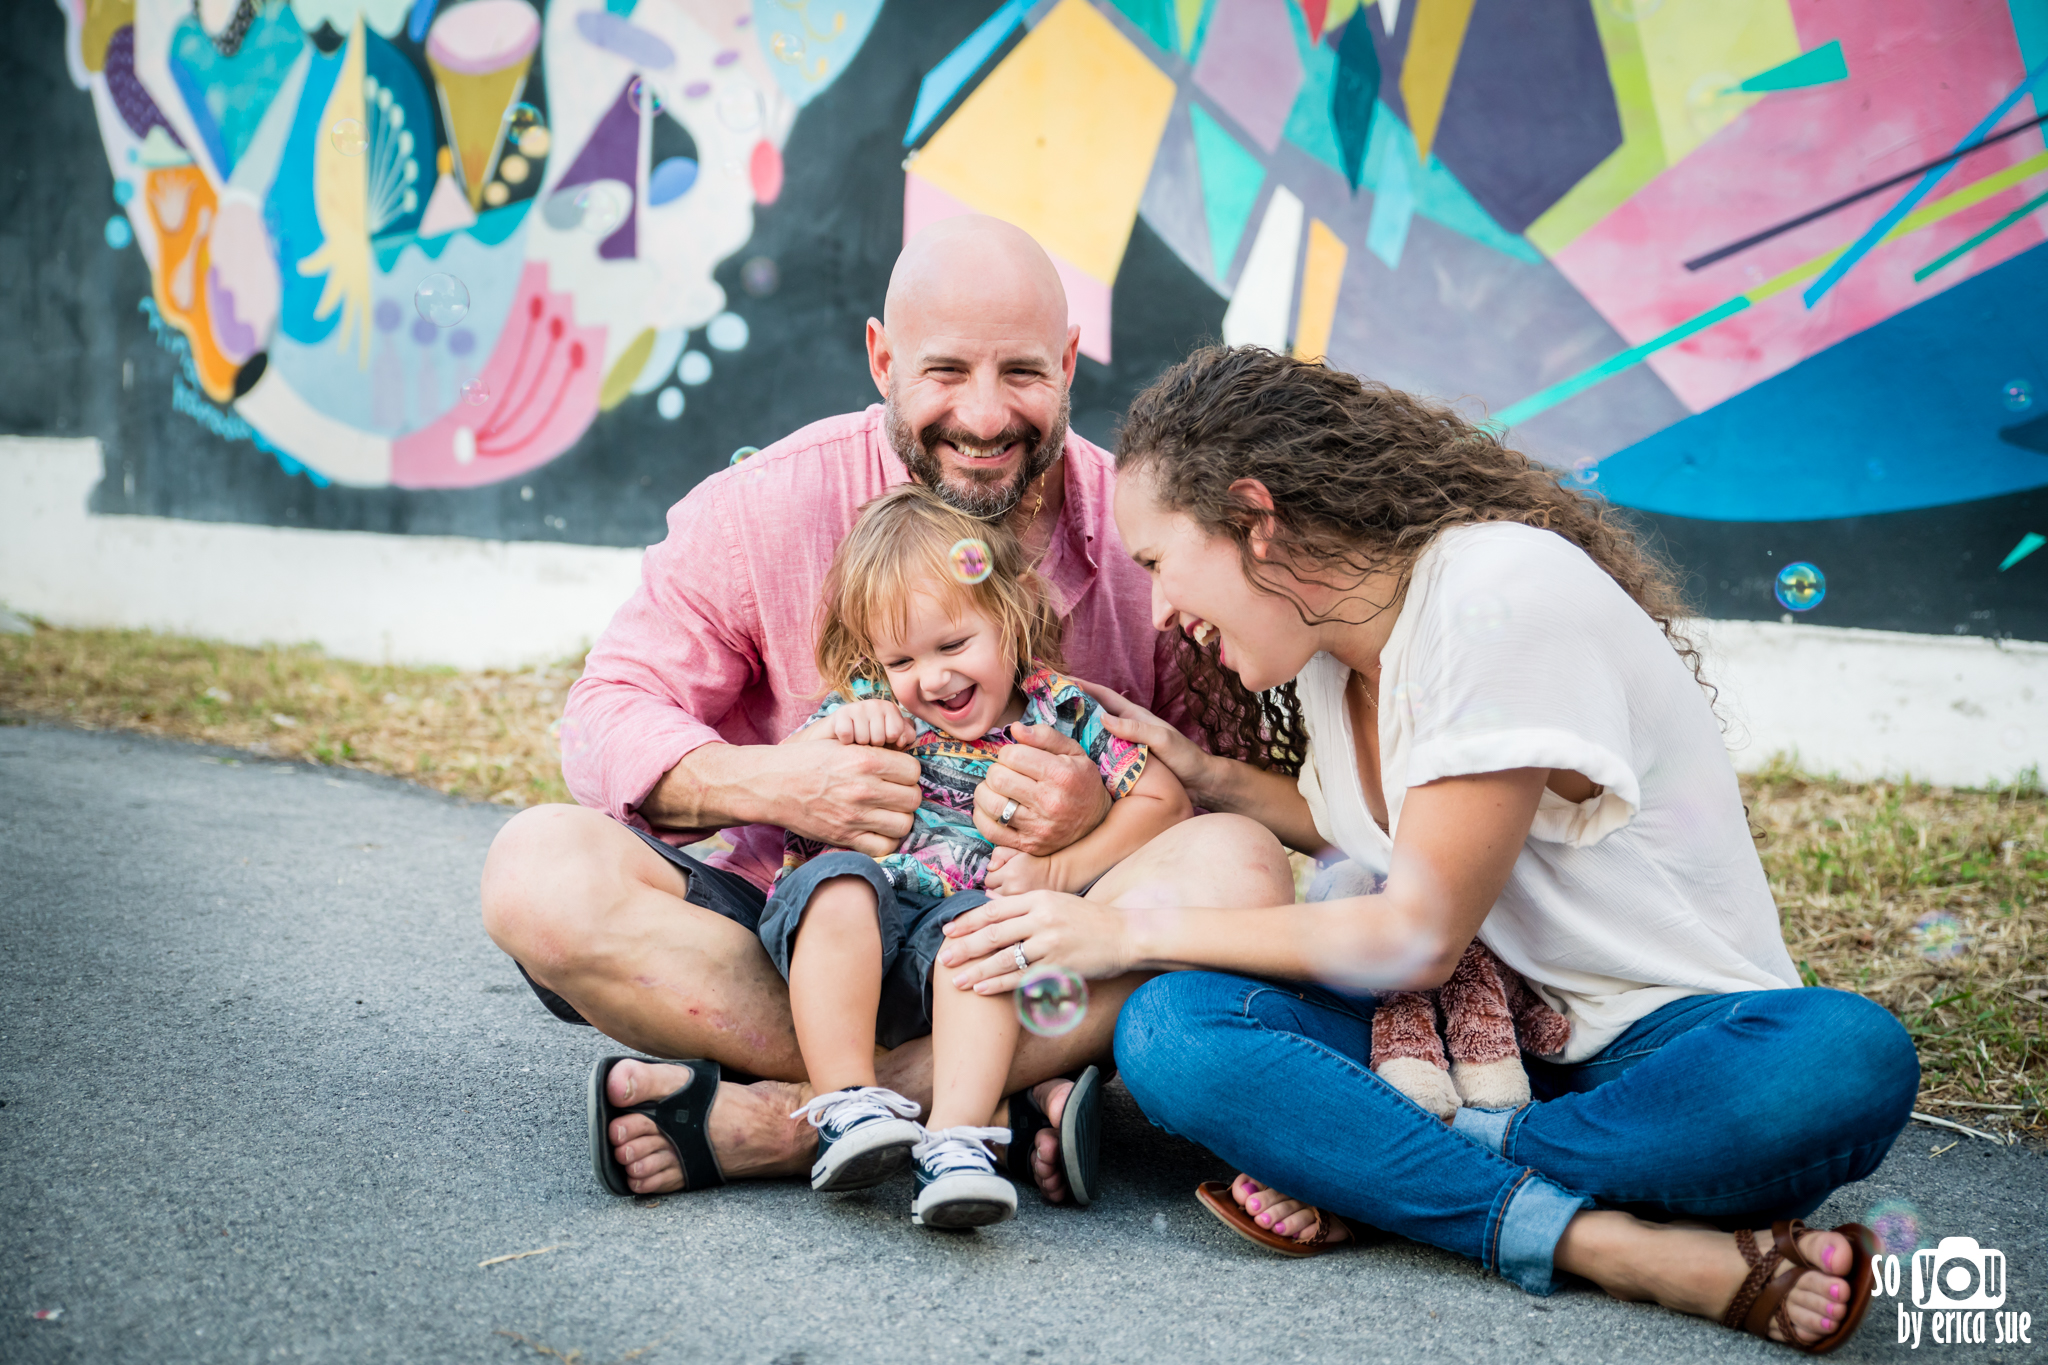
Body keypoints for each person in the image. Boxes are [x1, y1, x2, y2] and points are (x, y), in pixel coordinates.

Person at [935, 346, 1917, 1352]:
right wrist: (1202, 771)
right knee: (1172, 1030)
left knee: (1846, 1059)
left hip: (1668, 1049)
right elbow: (1387, 828)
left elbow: (1416, 938)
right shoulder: (1330, 653)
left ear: (1254, 520)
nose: (1159, 607)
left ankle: (1402, 1173)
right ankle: (1599, 1238)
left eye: (1157, 562)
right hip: (1467, 1047)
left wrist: (1118, 929)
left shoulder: (1495, 595)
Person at [480, 222, 1289, 1204]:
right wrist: (774, 781)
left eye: (1022, 373)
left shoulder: (1141, 532)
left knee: (1240, 869)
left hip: (1017, 942)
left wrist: (1092, 830)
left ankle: (797, 1121)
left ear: (1070, 362)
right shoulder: (765, 507)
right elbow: (605, 714)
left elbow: (1207, 793)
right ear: (881, 359)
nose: (984, 416)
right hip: (798, 937)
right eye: (944, 371)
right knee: (536, 874)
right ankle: (984, 1093)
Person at [765, 485, 1188, 1226]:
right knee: (838, 884)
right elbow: (781, 783)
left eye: (953, 645)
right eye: (901, 657)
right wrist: (833, 735)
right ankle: (849, 1106)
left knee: (989, 933)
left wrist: (1058, 869)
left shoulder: (1059, 711)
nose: (930, 677)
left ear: (1010, 614)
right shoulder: (869, 704)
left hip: (955, 949)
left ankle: (958, 1142)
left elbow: (1168, 804)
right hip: (845, 941)